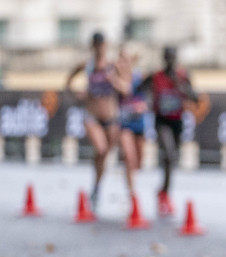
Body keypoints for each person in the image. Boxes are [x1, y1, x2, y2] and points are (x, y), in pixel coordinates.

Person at [66, 31, 131, 209]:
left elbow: (126, 89)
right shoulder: (87, 66)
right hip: (92, 116)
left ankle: (96, 186)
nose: (100, 48)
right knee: (101, 150)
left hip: (111, 117)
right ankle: (96, 185)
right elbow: (69, 81)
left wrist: (114, 81)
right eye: (97, 44)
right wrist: (77, 93)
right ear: (93, 46)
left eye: (103, 44)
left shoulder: (112, 66)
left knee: (104, 156)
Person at [138, 46, 197, 216]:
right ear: (164, 59)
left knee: (172, 159)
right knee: (169, 154)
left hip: (177, 121)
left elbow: (195, 97)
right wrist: (148, 100)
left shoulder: (183, 76)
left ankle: (164, 191)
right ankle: (165, 195)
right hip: (161, 121)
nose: (170, 61)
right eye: (167, 57)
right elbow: (139, 89)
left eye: (173, 57)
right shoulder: (156, 76)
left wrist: (180, 87)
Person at [113, 46, 145, 200]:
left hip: (139, 122)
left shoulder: (139, 76)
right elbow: (125, 90)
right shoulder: (113, 78)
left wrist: (143, 106)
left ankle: (132, 182)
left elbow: (145, 96)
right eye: (121, 59)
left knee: (138, 161)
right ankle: (131, 194)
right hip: (124, 123)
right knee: (129, 157)